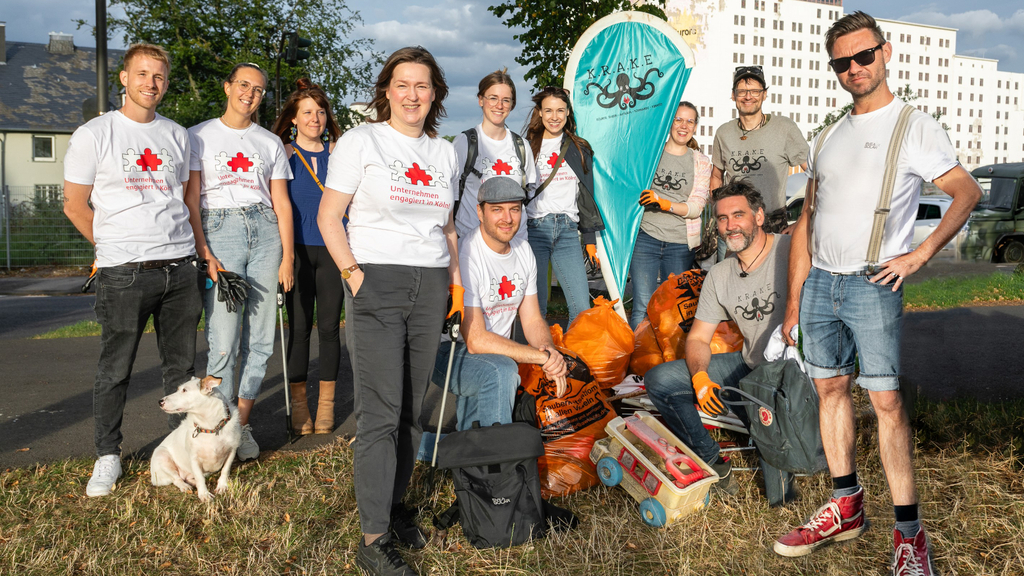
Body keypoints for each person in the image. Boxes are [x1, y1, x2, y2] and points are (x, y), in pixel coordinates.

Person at [776, 12, 981, 573]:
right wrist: (794, 299)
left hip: (872, 281)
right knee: (829, 391)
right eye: (842, 62)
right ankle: (846, 506)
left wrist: (918, 255)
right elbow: (808, 219)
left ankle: (909, 536)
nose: (854, 68)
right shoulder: (827, 135)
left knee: (886, 403)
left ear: (885, 53)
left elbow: (966, 192)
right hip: (820, 282)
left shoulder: (913, 125)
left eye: (863, 55)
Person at [317, 47, 462, 576]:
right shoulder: (362, 141)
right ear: (387, 90)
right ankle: (373, 539)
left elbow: (448, 227)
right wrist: (355, 276)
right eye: (403, 84)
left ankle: (395, 505)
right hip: (375, 278)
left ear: (435, 93)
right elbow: (330, 216)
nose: (412, 95)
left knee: (411, 410)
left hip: (431, 284)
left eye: (422, 85)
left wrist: (455, 287)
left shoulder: (444, 153)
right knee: (379, 413)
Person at [62, 43, 203, 497]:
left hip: (180, 267)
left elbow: (184, 201)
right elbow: (74, 204)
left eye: (159, 76)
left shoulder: (177, 135)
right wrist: (110, 247)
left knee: (181, 370)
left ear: (166, 83)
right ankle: (108, 456)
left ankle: (182, 452)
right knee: (115, 369)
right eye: (142, 74)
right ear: (124, 78)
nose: (150, 83)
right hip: (124, 272)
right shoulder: (95, 134)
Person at [644, 180, 795, 506]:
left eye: (738, 215)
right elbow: (699, 337)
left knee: (781, 499)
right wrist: (700, 376)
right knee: (660, 380)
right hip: (749, 368)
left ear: (759, 216)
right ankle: (712, 460)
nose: (730, 225)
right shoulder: (719, 274)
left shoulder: (789, 251)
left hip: (792, 379)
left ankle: (782, 440)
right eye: (723, 218)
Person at [186, 63, 295, 462]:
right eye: (244, 85)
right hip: (221, 232)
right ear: (228, 87)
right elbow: (191, 198)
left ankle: (239, 427)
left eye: (259, 89)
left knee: (262, 340)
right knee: (224, 340)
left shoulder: (269, 142)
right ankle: (216, 426)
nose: (250, 93)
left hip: (266, 234)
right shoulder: (197, 136)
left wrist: (288, 257)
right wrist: (205, 250)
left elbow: (281, 202)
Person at [433, 177, 568, 433]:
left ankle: (430, 450)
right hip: (449, 352)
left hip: (494, 353)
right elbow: (476, 341)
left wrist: (549, 352)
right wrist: (540, 357)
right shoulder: (466, 255)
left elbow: (532, 319)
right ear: (480, 212)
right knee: (501, 371)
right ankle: (498, 455)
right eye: (497, 209)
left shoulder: (523, 250)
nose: (507, 218)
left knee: (470, 435)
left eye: (514, 209)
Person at [270, 78, 344, 435]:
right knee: (299, 329)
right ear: (294, 119)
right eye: (308, 112)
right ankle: (300, 406)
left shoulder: (340, 153)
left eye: (321, 112)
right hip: (296, 252)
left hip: (333, 251)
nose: (315, 118)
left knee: (329, 329)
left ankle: (326, 406)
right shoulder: (282, 153)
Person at [523, 86, 605, 322]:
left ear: (568, 112)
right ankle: (538, 348)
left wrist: (590, 241)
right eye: (548, 110)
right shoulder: (526, 146)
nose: (554, 116)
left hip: (568, 231)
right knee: (536, 309)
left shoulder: (579, 148)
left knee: (581, 308)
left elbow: (586, 196)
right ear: (540, 112)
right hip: (534, 230)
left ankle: (570, 348)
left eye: (560, 110)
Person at [629, 101, 711, 329]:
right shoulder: (650, 154)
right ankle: (639, 352)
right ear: (669, 122)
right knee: (642, 305)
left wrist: (664, 204)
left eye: (690, 121)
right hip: (645, 237)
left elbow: (696, 207)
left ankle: (669, 352)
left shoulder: (701, 162)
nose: (684, 126)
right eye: (678, 120)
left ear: (695, 127)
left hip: (680, 243)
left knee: (674, 307)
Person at [710, 65, 808, 234]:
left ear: (764, 94)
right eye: (742, 91)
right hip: (734, 225)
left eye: (755, 91)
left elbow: (815, 174)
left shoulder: (784, 128)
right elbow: (716, 177)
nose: (748, 97)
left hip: (774, 224)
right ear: (733, 95)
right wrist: (719, 214)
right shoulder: (723, 133)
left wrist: (802, 220)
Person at [453, 69, 538, 239]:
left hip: (515, 242)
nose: (499, 106)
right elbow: (451, 193)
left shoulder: (522, 146)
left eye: (505, 100)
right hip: (471, 243)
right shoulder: (464, 142)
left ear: (512, 104)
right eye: (493, 98)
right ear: (480, 100)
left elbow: (529, 194)